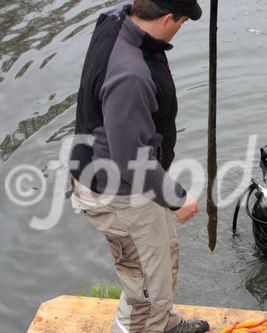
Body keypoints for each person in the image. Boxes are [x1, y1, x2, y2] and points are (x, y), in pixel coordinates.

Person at [69, 1, 209, 332]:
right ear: (165, 18)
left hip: (133, 179)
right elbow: (130, 159)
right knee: (145, 289)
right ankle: (147, 323)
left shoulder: (118, 17)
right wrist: (177, 198)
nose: (181, 27)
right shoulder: (130, 75)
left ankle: (165, 324)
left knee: (162, 258)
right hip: (118, 190)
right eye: (182, 20)